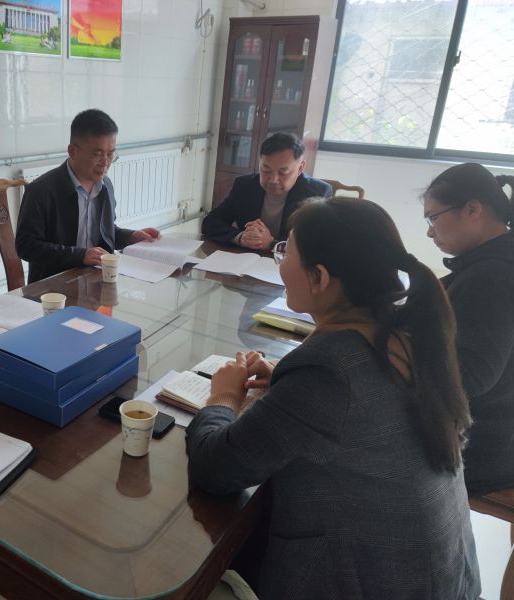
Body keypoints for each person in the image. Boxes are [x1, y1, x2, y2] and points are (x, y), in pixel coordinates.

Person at [187, 197, 480, 599]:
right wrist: (286, 386)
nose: (280, 261)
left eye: (286, 251)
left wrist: (223, 396)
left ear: (319, 277)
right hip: (440, 579)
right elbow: (358, 408)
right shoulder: (405, 334)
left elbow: (215, 468)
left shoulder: (327, 371)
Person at [424, 162, 514, 495]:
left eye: (433, 218)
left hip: (479, 448)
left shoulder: (491, 276)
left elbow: (471, 375)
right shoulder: (489, 265)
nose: (430, 232)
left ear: (473, 210)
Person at [15, 109, 161, 284]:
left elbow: (104, 232)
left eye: (110, 154)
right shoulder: (41, 190)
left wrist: (131, 237)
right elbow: (26, 246)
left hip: (97, 280)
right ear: (73, 151)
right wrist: (80, 256)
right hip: (55, 287)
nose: (105, 163)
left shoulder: (105, 186)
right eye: (97, 154)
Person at [202, 132, 331, 250]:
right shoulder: (244, 185)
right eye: (266, 169)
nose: (273, 180)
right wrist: (240, 237)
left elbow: (315, 244)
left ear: (300, 168)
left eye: (283, 172)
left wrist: (272, 243)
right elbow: (210, 223)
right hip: (244, 260)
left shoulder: (317, 193)